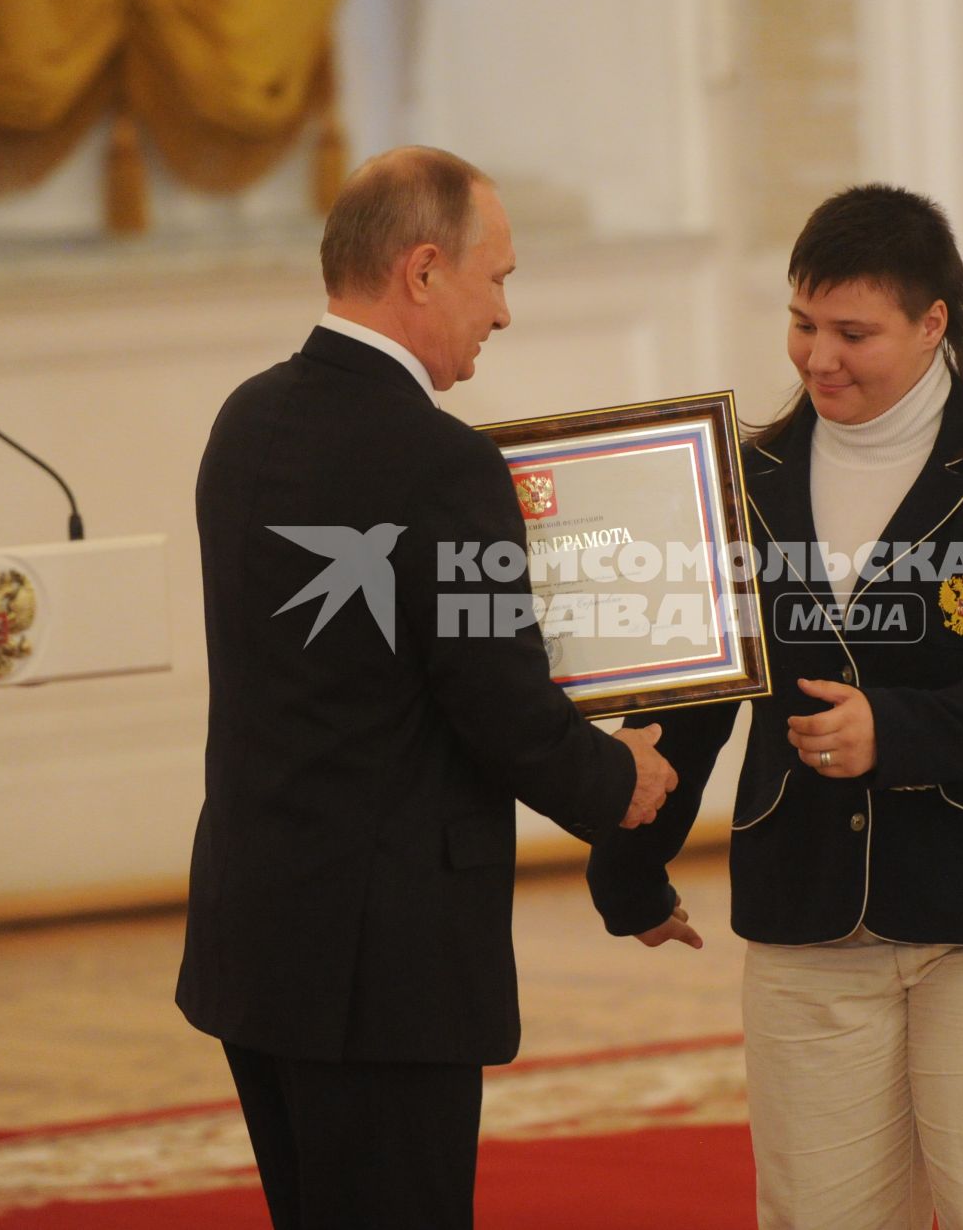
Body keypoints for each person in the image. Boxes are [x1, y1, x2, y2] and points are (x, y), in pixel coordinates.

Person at [588, 183, 963, 1230]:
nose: (817, 356)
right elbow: (692, 699)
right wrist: (629, 866)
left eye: (853, 332)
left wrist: (901, 731)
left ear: (933, 325)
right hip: (810, 919)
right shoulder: (743, 484)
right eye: (801, 323)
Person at [177, 145, 678, 1230]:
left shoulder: (246, 420)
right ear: (422, 270)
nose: (503, 313)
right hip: (383, 965)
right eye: (496, 278)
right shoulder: (442, 464)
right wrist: (619, 780)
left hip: (255, 931)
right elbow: (498, 701)